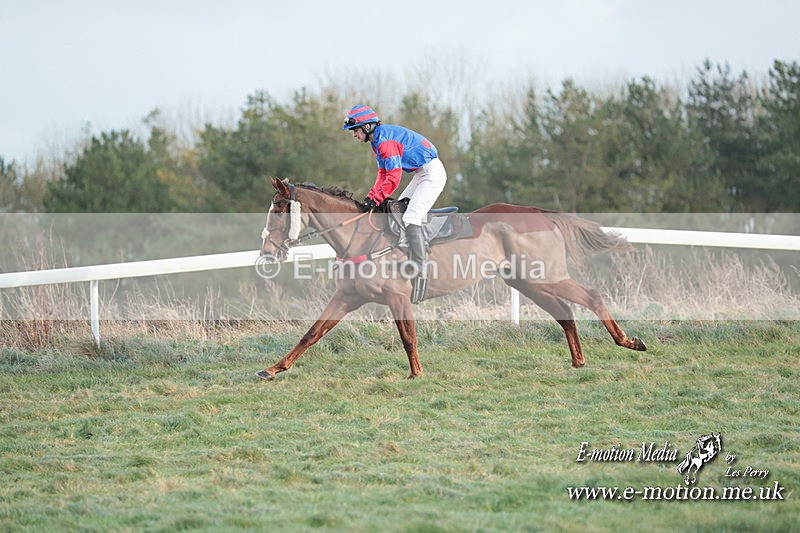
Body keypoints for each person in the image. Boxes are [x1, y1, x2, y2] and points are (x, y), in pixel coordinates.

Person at [341, 104, 447, 281]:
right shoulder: (377, 142)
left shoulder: (385, 141)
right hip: (421, 173)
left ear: (368, 127)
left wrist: (377, 198)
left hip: (432, 173)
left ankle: (421, 266)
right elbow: (382, 174)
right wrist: (371, 196)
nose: (354, 135)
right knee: (398, 209)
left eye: (355, 130)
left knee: (411, 217)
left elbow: (394, 176)